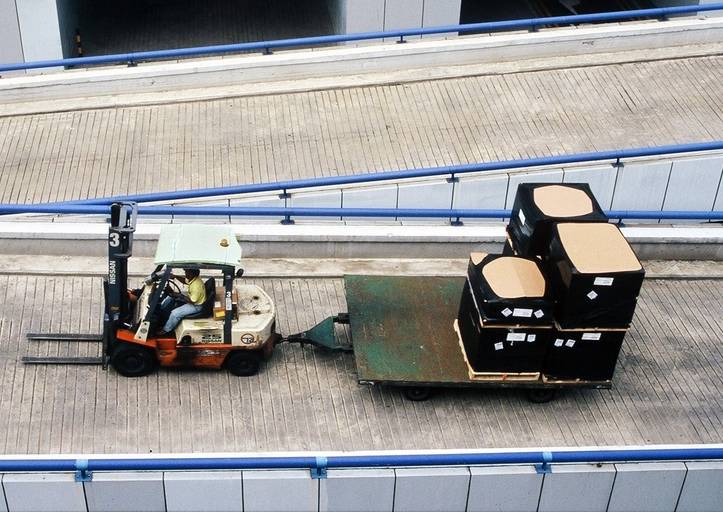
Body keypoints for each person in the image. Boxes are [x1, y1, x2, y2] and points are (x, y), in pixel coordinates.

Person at [159, 268, 206, 336]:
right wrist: (175, 276)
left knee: (175, 313)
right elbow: (184, 281)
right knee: (170, 297)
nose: (185, 274)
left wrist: (178, 295)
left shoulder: (197, 286)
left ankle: (166, 330)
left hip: (196, 305)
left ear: (192, 273)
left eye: (186, 272)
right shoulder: (193, 278)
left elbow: (192, 301)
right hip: (192, 297)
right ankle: (161, 313)